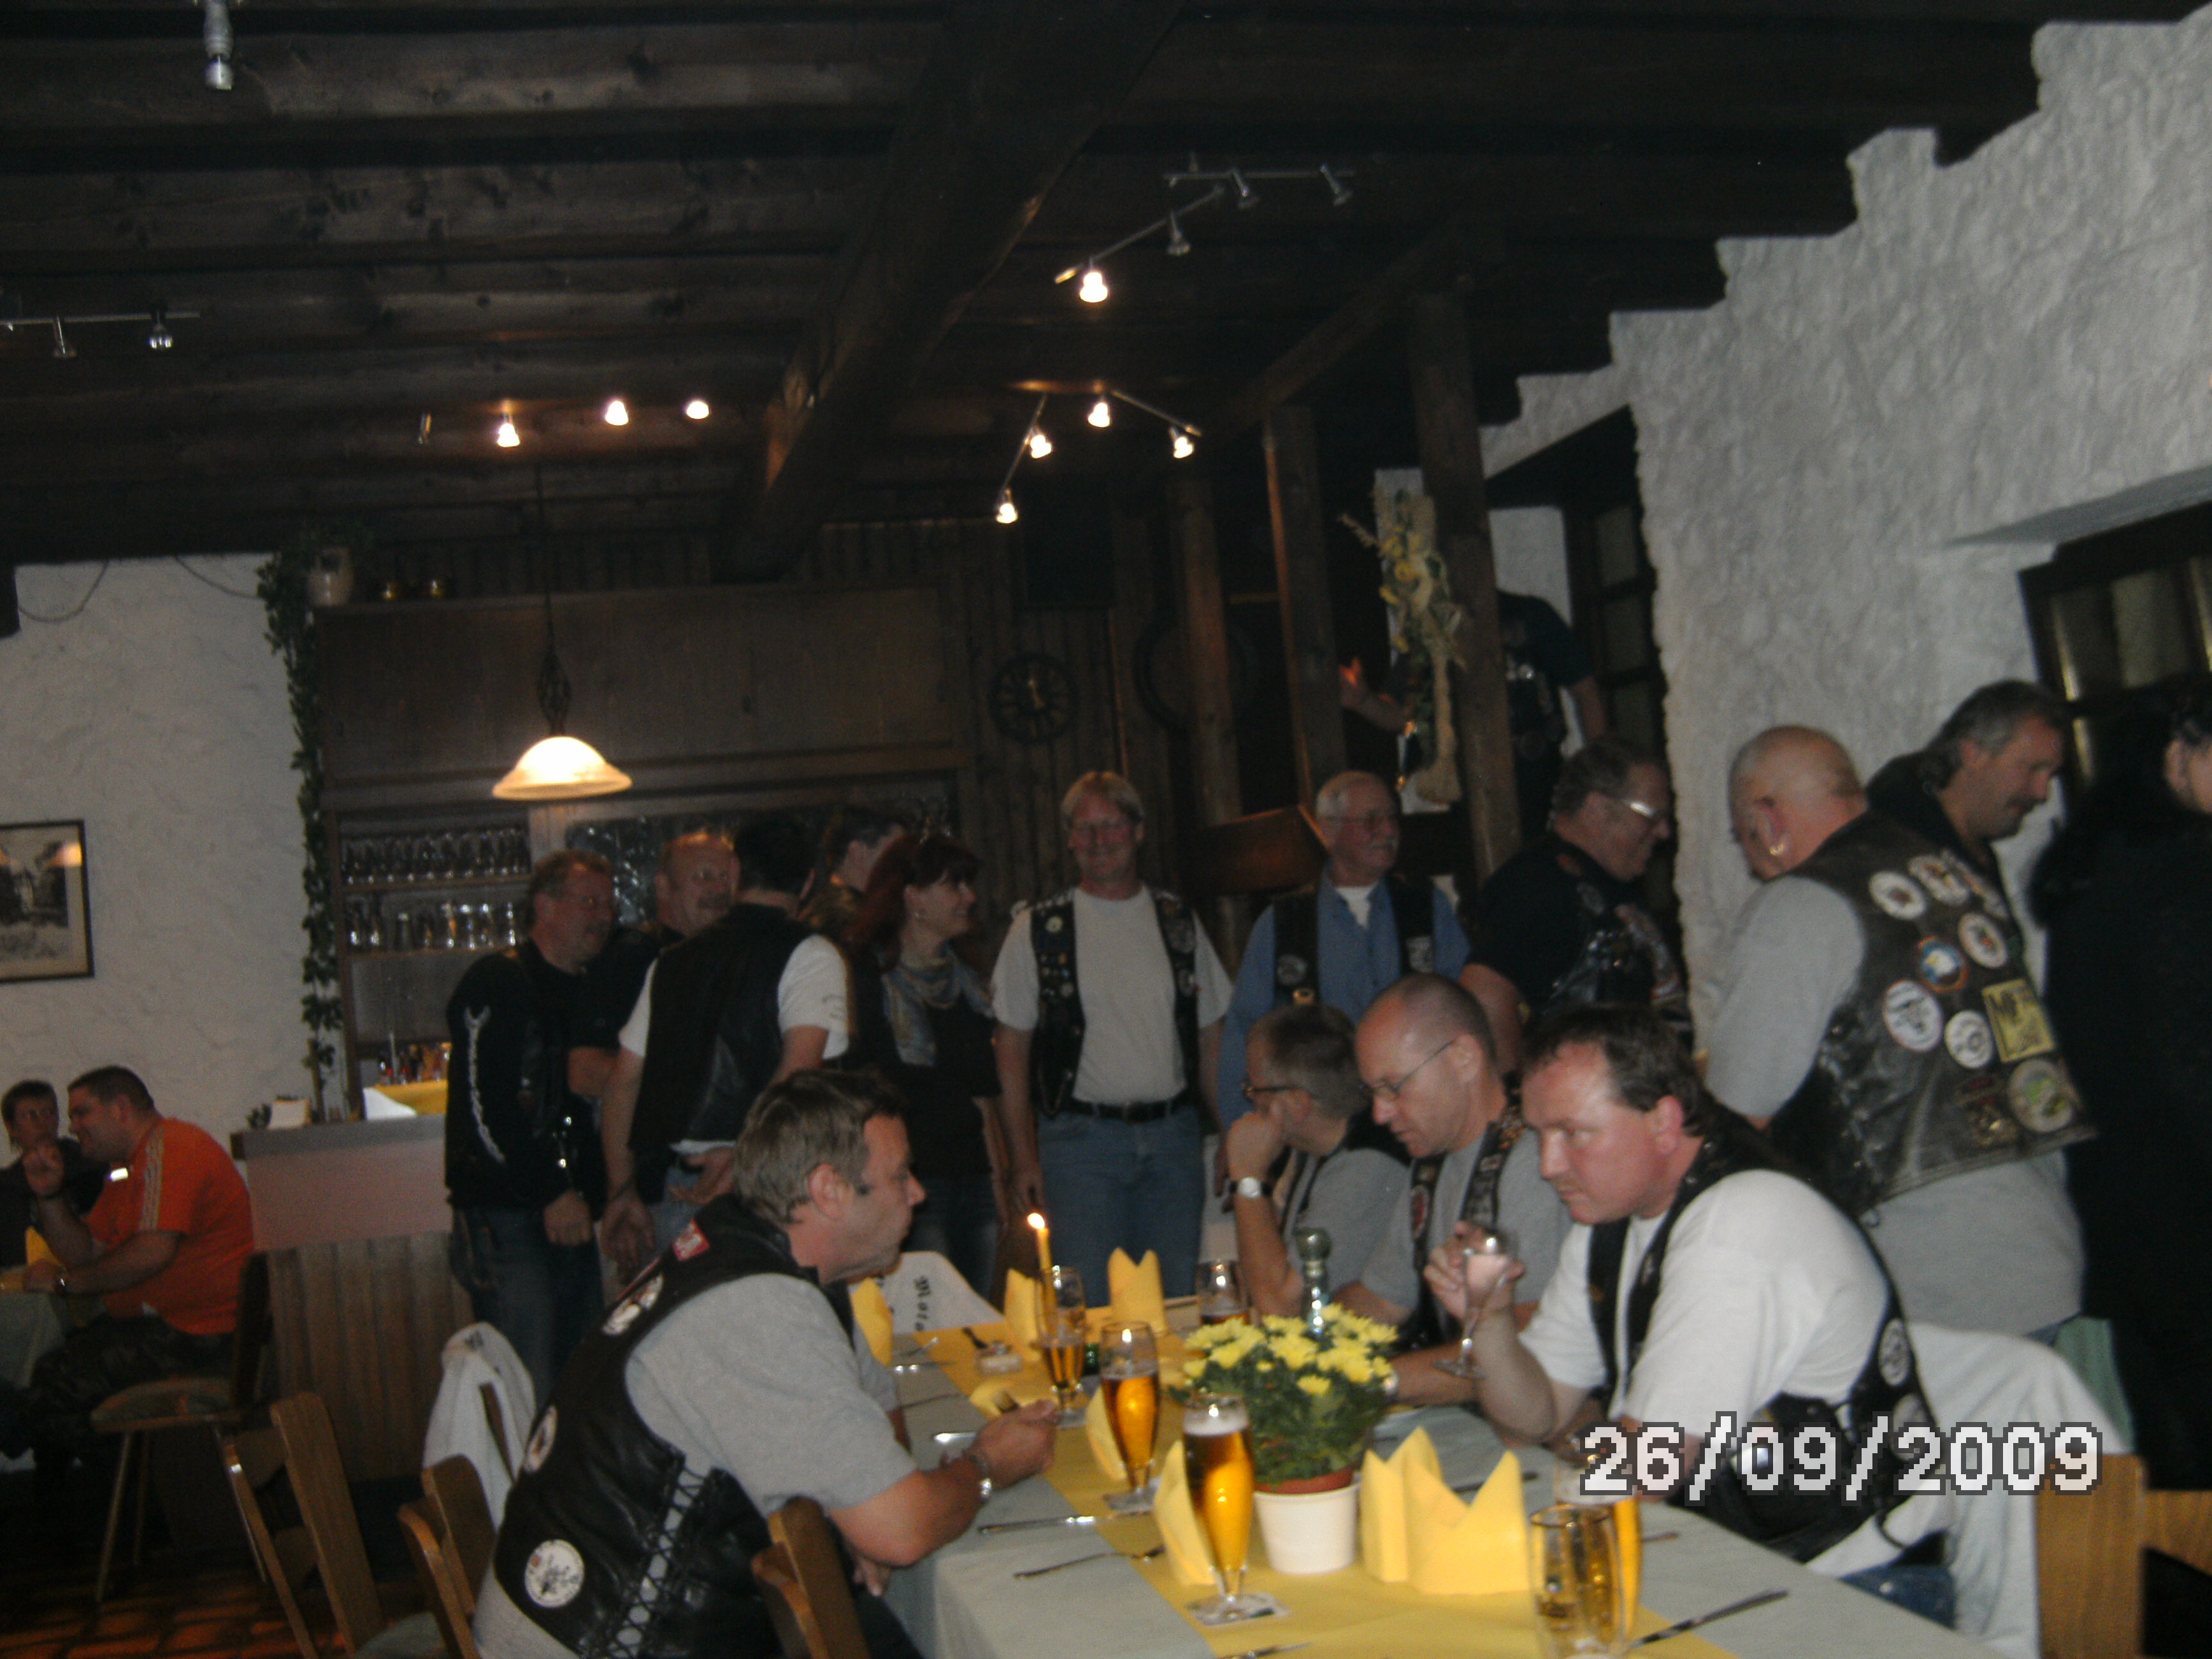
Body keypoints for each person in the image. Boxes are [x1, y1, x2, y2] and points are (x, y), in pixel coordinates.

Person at [477, 1069, 1058, 1659]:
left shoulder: (770, 1253)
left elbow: (879, 1416)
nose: (918, 1194)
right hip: (592, 1641)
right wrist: (988, 1465)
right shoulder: (758, 1307)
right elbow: (903, 1531)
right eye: (899, 1176)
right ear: (829, 1190)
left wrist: (862, 1500)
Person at [1425, 1006, 1926, 1572]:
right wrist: (1490, 1322)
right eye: (1540, 1134)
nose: (1548, 1164)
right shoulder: (1611, 1220)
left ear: (1663, 1123)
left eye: (1574, 1133)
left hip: (1859, 1581)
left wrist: (1545, 1491)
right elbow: (1531, 1421)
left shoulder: (1740, 1225)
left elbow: (1647, 1468)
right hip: (1740, 1557)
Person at [1705, 724, 2088, 1339]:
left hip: (1937, 1272)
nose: (1752, 863)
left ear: (1768, 820)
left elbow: (1737, 1110)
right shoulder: (1952, 877)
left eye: (1744, 837)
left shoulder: (1800, 906)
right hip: (2039, 1237)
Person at [2032, 673, 2212, 1484]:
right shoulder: (2177, 870)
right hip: (2187, 1214)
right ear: (2177, 755)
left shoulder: (2097, 857)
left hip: (2130, 1216)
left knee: (2175, 1460)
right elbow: (2189, 1067)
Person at [991, 772, 1232, 1300]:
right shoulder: (1038, 930)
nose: (1099, 840)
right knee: (1089, 1305)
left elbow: (1212, 1034)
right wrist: (1022, 1157)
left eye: (1112, 825)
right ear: (1070, 840)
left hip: (1173, 1141)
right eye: (1085, 828)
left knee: (1174, 1300)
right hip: (1080, 1148)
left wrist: (1231, 1131)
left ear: (1139, 832)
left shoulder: (1178, 922)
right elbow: (1011, 1047)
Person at [600, 816, 850, 1274]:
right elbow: (798, 1074)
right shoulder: (811, 955)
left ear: (735, 872)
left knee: (682, 1317)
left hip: (678, 1184)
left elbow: (623, 1082)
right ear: (808, 883)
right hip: (768, 1182)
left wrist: (621, 1189)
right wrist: (741, 1161)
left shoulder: (671, 962)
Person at [0, 1068, 253, 1482]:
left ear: (121, 1108)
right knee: (53, 1372)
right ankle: (144, 1493)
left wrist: (66, 1284)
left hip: (203, 1339)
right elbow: (86, 1252)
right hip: (178, 1330)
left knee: (53, 1387)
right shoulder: (127, 1169)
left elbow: (151, 1253)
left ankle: (146, 1494)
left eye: (82, 1113)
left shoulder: (172, 1148)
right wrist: (49, 1194)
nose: (72, 1127)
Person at [1346, 975, 1569, 1405]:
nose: (1379, 1114)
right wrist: (1293, 1350)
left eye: (1393, 1088)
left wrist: (1365, 1382)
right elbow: (1381, 1300)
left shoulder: (1536, 1160)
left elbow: (1531, 1339)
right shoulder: (1432, 1159)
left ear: (1464, 1058)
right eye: (1372, 1093)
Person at [446, 850, 616, 1406]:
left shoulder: (594, 990)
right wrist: (550, 1190)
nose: (603, 916)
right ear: (544, 906)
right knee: (529, 1388)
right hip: (510, 1215)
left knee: (582, 1385)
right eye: (589, 901)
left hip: (571, 1209)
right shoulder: (499, 980)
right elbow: (483, 1109)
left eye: (609, 904)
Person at [1217, 770, 1473, 1121]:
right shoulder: (1285, 923)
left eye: (1392, 817)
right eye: (1371, 820)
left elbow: (1464, 1006)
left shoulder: (1426, 907)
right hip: (1323, 1123)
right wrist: (1239, 1123)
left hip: (1419, 1111)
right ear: (1328, 830)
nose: (1388, 831)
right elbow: (1243, 1033)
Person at [1460, 735, 1687, 1072]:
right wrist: (1516, 1096)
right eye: (1651, 817)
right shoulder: (1539, 884)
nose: (1664, 831)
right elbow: (1485, 993)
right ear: (1597, 809)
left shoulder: (1612, 880)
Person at [844, 831, 1005, 1296]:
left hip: (971, 1174)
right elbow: (859, 1094)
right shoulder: (866, 978)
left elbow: (982, 1095)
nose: (969, 897)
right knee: (926, 1315)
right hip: (909, 1181)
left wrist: (998, 1181)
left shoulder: (967, 981)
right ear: (913, 897)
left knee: (979, 1314)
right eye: (955, 885)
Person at [1340, 590, 1607, 842]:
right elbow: (1404, 716)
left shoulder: (1527, 615)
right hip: (1460, 792)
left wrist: (1601, 776)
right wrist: (1363, 701)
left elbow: (1585, 691)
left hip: (1534, 783)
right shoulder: (1429, 627)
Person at [1222, 1003, 1409, 1318]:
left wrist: (1248, 1178)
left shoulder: (1367, 1166)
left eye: (1255, 1089)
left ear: (1298, 1103)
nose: (1251, 1101)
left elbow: (1282, 1307)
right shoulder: (1314, 1149)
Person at [1865, 680, 2068, 912]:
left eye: (2050, 775)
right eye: (2032, 769)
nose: (2042, 793)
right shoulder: (1898, 842)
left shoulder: (1968, 845)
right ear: (1974, 754)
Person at [578, 830, 740, 1086]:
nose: (720, 889)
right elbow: (584, 1071)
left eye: (726, 878)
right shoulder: (632, 958)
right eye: (704, 876)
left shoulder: (737, 956)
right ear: (664, 887)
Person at [0, 1078, 104, 1270]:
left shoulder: (90, 1166)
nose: (42, 1123)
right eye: (31, 1115)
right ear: (12, 1127)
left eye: (49, 1113)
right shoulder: (6, 1187)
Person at [802, 805, 905, 938]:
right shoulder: (857, 923)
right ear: (858, 853)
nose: (903, 865)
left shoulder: (819, 912)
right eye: (895, 854)